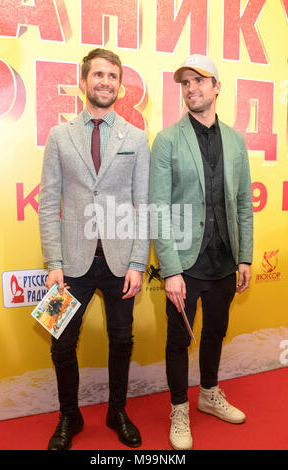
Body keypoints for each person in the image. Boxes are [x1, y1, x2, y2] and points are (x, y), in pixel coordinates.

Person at [38, 48, 150, 450]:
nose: (105, 82)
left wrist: (138, 261)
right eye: (98, 75)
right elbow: (50, 203)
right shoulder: (59, 135)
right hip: (69, 263)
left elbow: (145, 204)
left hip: (120, 262)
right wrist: (53, 263)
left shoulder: (136, 138)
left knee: (122, 339)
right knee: (60, 342)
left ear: (120, 87)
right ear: (84, 82)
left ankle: (116, 410)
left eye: (113, 76)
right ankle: (70, 414)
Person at [149, 54, 253, 450]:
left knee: (215, 332)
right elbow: (158, 208)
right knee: (179, 339)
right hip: (185, 265)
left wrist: (244, 256)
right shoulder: (167, 140)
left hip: (225, 260)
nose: (191, 88)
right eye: (185, 83)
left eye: (199, 80)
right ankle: (179, 408)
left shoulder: (237, 140)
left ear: (216, 87)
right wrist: (170, 269)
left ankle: (208, 395)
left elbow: (243, 203)